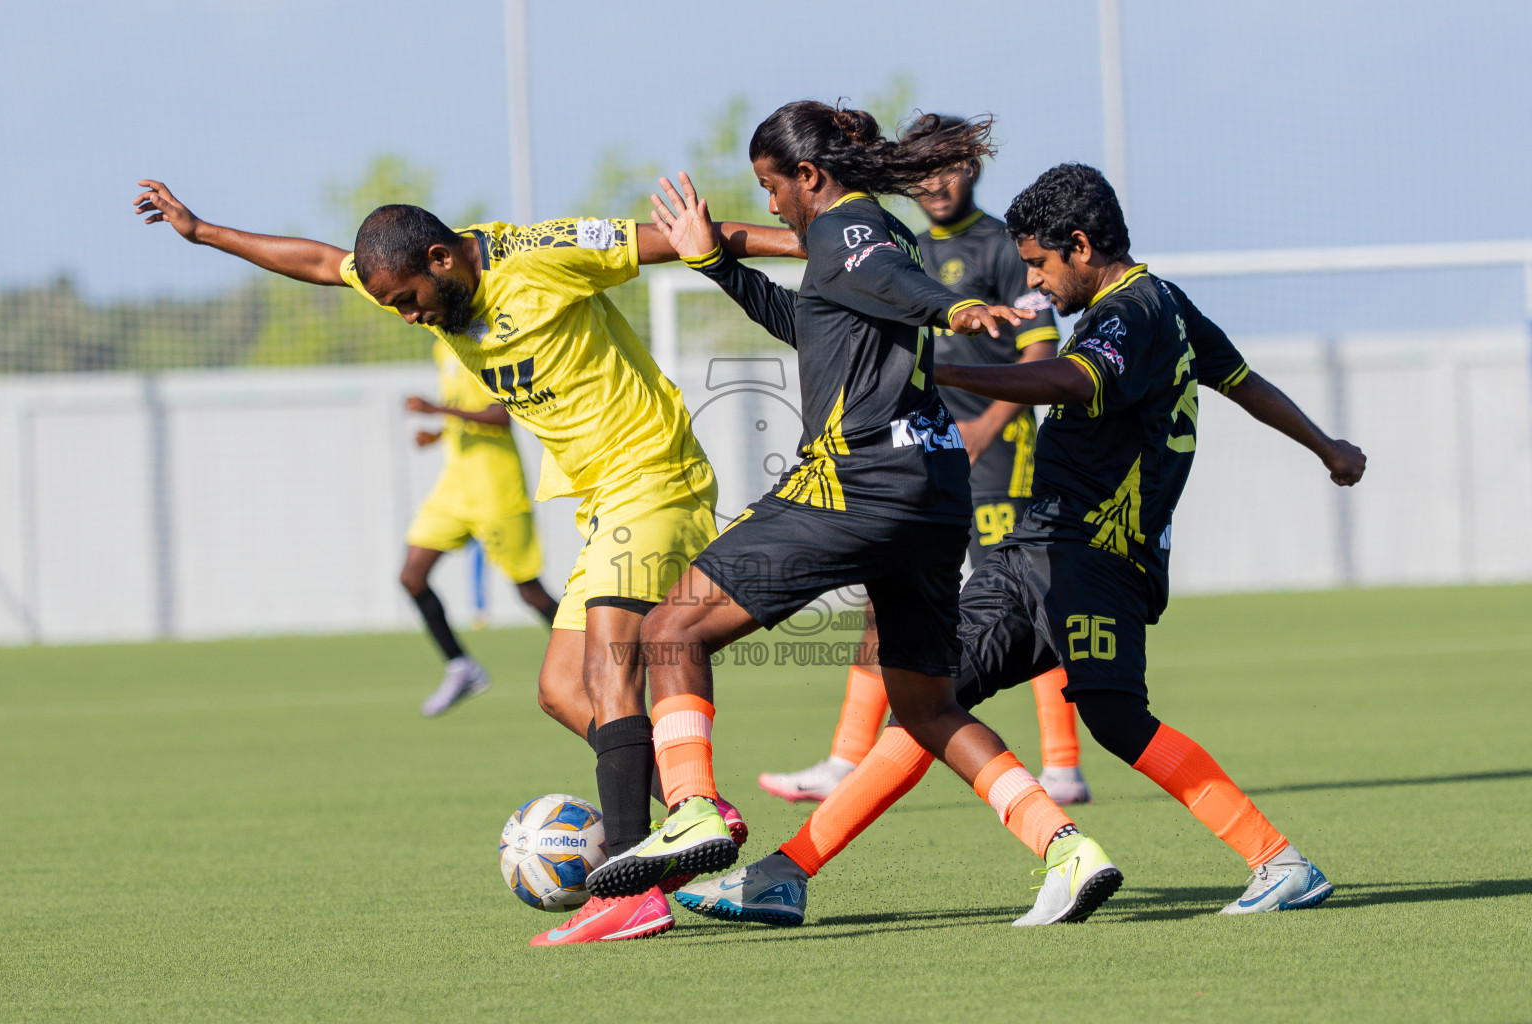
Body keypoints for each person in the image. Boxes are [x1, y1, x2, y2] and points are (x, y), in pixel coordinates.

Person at [678, 163, 1366, 927]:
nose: (1036, 281)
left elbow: (1072, 381)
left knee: (1051, 716)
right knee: (955, 706)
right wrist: (1326, 444)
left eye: (1040, 262)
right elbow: (1241, 380)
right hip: (1070, 556)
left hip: (1073, 555)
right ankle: (788, 871)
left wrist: (932, 365)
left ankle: (1248, 859)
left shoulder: (1126, 313)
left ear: (1079, 245)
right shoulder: (1169, 303)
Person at [133, 180, 800, 944]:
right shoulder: (405, 273)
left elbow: (677, 240)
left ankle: (629, 887)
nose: (410, 315)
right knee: (558, 688)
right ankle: (688, 804)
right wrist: (205, 231)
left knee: (613, 666)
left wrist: (811, 245)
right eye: (394, 305)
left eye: (411, 299)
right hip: (603, 501)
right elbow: (320, 263)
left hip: (652, 476)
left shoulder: (542, 255)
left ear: (442, 257)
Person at [585, 104, 1125, 930]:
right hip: (935, 495)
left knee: (669, 632)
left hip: (858, 482)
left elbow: (890, 285)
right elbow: (815, 324)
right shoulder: (881, 233)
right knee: (928, 707)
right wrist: (713, 266)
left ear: (811, 176)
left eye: (772, 186)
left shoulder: (850, 231)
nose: (769, 206)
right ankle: (1067, 846)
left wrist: (953, 310)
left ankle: (692, 806)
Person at [757, 116, 1089, 807]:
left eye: (953, 170)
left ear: (972, 171)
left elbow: (1039, 351)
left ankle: (1063, 764)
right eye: (929, 174)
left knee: (1026, 600)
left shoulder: (1000, 244)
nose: (938, 186)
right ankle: (846, 758)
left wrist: (987, 429)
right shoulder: (900, 241)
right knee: (889, 606)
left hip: (995, 453)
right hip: (919, 445)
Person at [401, 338, 560, 716]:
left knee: (529, 590)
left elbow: (503, 416)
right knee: (412, 576)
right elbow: (465, 412)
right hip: (455, 489)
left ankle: (597, 657)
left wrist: (433, 408)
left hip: (496, 491)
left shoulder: (486, 346)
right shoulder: (441, 348)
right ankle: (462, 667)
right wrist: (438, 434)